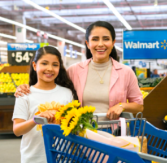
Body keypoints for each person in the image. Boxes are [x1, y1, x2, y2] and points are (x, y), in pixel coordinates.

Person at [15, 21, 143, 121]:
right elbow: (51, 87)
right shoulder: (74, 71)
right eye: (95, 39)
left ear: (113, 42)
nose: (100, 44)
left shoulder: (126, 72)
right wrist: (25, 88)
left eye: (106, 39)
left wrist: (122, 106)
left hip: (115, 134)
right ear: (87, 43)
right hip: (82, 134)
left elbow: (139, 106)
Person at [12, 46, 77, 163]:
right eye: (44, 63)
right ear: (35, 66)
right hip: (33, 162)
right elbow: (17, 130)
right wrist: (36, 119)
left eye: (55, 65)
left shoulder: (67, 93)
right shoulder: (24, 94)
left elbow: (72, 126)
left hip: (63, 161)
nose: (50, 69)